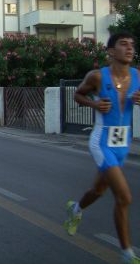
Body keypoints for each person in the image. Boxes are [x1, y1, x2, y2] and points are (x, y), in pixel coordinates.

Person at [64, 32, 140, 264]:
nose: (129, 49)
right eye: (123, 44)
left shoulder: (138, 76)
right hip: (101, 142)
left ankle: (76, 209)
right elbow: (78, 95)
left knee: (98, 190)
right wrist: (94, 103)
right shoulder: (97, 77)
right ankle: (127, 254)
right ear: (110, 51)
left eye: (132, 46)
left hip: (123, 143)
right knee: (124, 197)